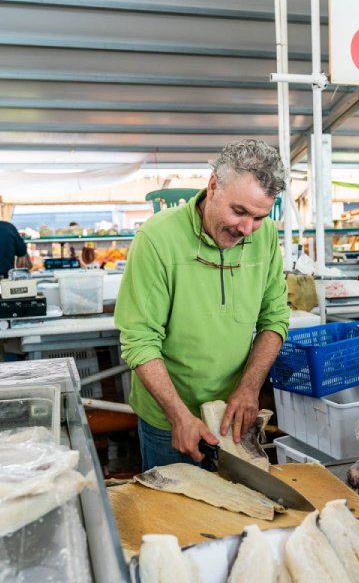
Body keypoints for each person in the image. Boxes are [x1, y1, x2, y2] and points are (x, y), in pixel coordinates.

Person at [115, 139, 290, 470]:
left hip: (233, 416)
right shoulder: (157, 239)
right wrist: (179, 415)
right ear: (213, 186)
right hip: (169, 421)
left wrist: (250, 388)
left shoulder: (264, 236)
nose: (246, 229)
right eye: (238, 211)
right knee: (177, 517)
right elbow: (139, 340)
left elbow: (275, 319)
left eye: (259, 216)